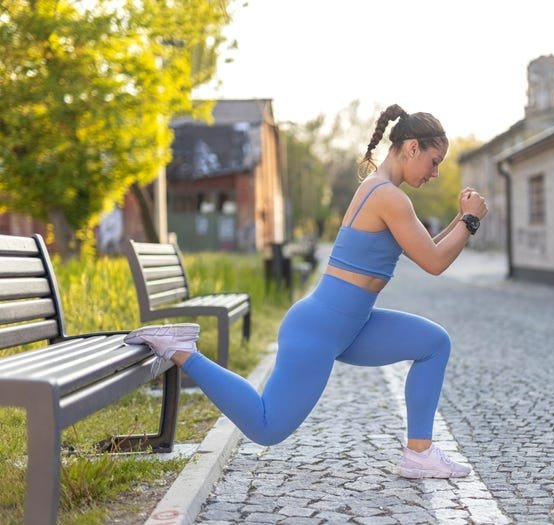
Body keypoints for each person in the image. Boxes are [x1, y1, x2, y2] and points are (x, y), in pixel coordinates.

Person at [126, 104, 488, 479]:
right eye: (434, 161)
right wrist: (472, 220)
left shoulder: (383, 191)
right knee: (267, 427)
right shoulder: (388, 197)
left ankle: (419, 454)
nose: (436, 172)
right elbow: (434, 262)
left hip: (349, 327)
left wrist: (462, 221)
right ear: (411, 148)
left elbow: (426, 249)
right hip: (319, 330)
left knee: (433, 343)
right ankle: (184, 351)